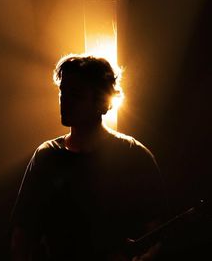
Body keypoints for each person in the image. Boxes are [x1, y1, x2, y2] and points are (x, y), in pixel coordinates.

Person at [9, 54, 167, 261]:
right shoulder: (46, 156)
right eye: (62, 92)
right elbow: (23, 235)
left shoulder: (133, 155)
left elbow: (158, 230)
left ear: (101, 101)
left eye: (74, 94)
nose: (64, 101)